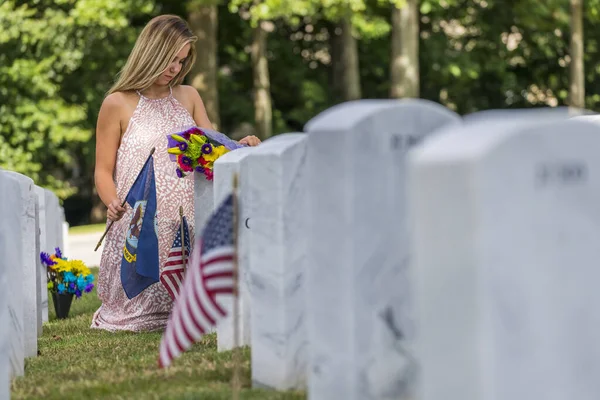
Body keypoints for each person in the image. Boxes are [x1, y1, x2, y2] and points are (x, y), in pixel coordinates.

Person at [91, 14, 261, 332]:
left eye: (182, 62)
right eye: (170, 60)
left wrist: (241, 146)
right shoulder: (117, 103)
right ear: (151, 53)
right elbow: (102, 171)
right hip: (139, 224)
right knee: (138, 306)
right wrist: (111, 201)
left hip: (187, 225)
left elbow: (214, 151)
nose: (176, 69)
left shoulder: (189, 97)